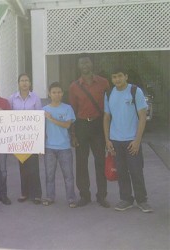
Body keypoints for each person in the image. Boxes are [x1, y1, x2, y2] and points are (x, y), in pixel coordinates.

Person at [104, 67, 153, 213]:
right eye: (114, 77)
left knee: (136, 171)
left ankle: (142, 200)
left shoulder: (135, 91)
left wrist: (137, 140)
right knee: (121, 171)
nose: (117, 79)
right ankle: (126, 199)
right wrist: (107, 140)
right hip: (115, 140)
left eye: (120, 76)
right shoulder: (109, 93)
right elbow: (106, 118)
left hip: (132, 140)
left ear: (126, 76)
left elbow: (143, 116)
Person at [69, 54, 110, 208]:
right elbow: (72, 111)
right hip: (81, 126)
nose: (85, 65)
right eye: (82, 63)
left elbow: (109, 108)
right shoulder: (74, 86)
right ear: (79, 66)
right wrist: (73, 134)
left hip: (98, 126)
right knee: (81, 162)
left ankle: (101, 196)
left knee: (100, 161)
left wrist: (108, 132)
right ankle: (84, 196)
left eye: (87, 62)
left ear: (92, 64)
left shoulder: (104, 83)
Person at [9, 73, 42, 205]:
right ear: (18, 83)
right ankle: (24, 193)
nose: (24, 83)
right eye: (22, 80)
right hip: (18, 138)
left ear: (30, 83)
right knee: (22, 165)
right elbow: (8, 116)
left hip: (32, 137)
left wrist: (40, 139)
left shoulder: (35, 98)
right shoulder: (12, 98)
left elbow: (39, 117)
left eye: (26, 80)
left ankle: (37, 194)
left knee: (34, 166)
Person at [42, 82, 77, 208]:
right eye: (53, 92)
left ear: (62, 94)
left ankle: (71, 198)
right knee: (49, 175)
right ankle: (50, 197)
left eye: (59, 92)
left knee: (68, 175)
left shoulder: (67, 108)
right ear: (49, 94)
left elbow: (67, 125)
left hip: (64, 147)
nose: (56, 95)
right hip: (49, 147)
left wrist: (50, 119)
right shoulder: (44, 109)